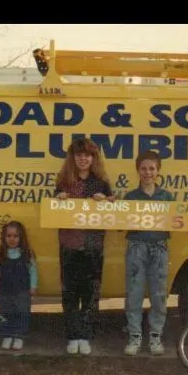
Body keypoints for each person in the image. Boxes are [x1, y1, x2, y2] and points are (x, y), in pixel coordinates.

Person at [55, 137, 114, 355]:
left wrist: (107, 202)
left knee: (90, 294)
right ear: (72, 158)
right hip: (69, 245)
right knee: (70, 293)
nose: (83, 159)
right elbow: (53, 212)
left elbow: (112, 214)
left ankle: (85, 335)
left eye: (87, 155)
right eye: (79, 155)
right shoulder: (63, 183)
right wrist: (59, 200)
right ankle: (72, 335)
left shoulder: (101, 183)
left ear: (93, 158)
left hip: (93, 247)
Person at [123, 150, 174, 355]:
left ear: (158, 170)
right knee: (134, 293)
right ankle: (135, 336)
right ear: (138, 171)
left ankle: (155, 337)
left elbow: (179, 221)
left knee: (159, 294)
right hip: (136, 247)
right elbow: (119, 223)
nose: (148, 172)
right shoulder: (130, 197)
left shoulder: (167, 197)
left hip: (159, 247)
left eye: (152, 168)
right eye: (143, 168)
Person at [0, 220, 38, 351]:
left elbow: (33, 271)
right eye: (9, 236)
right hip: (6, 290)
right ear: (4, 237)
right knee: (6, 313)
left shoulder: (27, 254)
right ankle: (7, 335)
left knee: (22, 313)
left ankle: (19, 336)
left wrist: (33, 287)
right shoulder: (1, 253)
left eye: (15, 236)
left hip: (22, 291)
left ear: (21, 237)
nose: (12, 239)